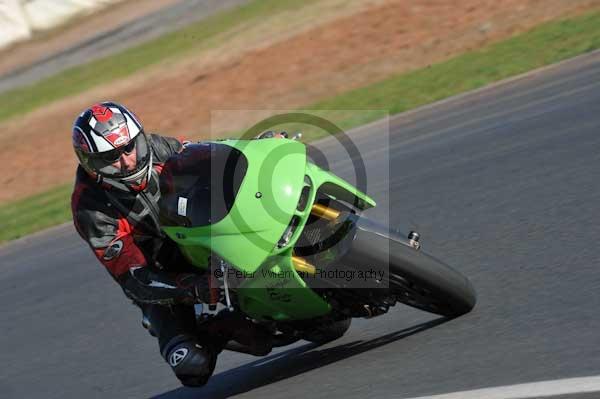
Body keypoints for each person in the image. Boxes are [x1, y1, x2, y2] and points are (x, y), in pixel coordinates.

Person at [71, 101, 220, 387]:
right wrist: (190, 287)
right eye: (112, 156)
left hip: (199, 238)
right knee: (192, 366)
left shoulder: (156, 148)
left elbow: (209, 155)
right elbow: (134, 277)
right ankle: (222, 326)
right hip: (160, 274)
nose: (127, 160)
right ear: (91, 163)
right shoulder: (90, 208)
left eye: (129, 147)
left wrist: (254, 148)